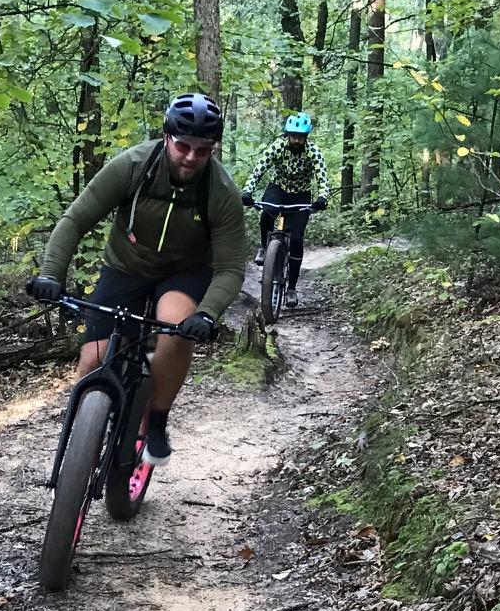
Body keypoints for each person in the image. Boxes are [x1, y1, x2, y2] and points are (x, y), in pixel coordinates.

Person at [26, 92, 250, 464]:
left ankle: (156, 421)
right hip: (125, 267)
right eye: (183, 146)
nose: (191, 157)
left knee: (175, 329)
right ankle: (82, 442)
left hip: (184, 272)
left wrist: (206, 314)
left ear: (213, 149)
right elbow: (75, 220)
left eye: (202, 150)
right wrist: (51, 274)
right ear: (166, 137)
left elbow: (230, 267)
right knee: (93, 360)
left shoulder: (221, 192)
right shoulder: (133, 165)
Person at [240, 111, 330, 299]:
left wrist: (322, 197)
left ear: (306, 137)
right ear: (287, 134)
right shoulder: (277, 147)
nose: (296, 140)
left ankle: (292, 288)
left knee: (296, 239)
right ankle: (264, 247)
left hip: (300, 194)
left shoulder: (313, 152)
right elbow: (259, 170)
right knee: (267, 212)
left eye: (301, 137)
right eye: (293, 136)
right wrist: (247, 191)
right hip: (278, 188)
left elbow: (322, 176)